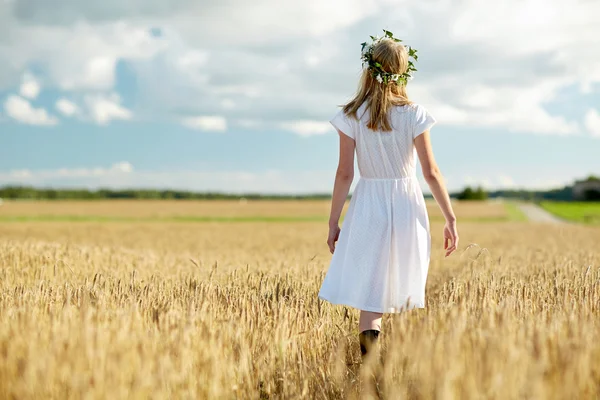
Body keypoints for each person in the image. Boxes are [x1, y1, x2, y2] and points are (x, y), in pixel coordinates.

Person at [317, 30, 459, 359]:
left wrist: (333, 221)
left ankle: (370, 369)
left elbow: (344, 173)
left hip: (368, 205)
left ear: (369, 69)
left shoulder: (352, 114)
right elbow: (431, 172)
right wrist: (449, 218)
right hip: (407, 205)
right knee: (401, 287)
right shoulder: (414, 114)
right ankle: (403, 369)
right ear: (403, 71)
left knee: (371, 295)